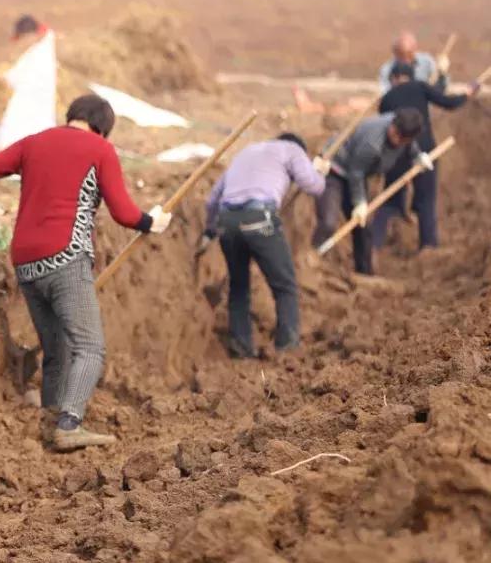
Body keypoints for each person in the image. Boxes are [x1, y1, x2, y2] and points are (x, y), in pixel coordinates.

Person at [0, 94, 171, 452]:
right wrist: (152, 222)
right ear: (103, 129)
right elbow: (124, 214)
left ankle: (52, 412)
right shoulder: (100, 149)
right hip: (66, 257)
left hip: (24, 261)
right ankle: (69, 424)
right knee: (89, 347)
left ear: (71, 116)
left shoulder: (33, 142)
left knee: (56, 348)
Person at [197, 134, 328, 358]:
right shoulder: (292, 149)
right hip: (259, 218)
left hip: (227, 221)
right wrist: (319, 171)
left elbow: (212, 199)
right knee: (285, 285)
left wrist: (209, 231)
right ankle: (287, 348)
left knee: (239, 286)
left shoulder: (247, 151)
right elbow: (313, 186)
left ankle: (241, 346)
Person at [374, 62, 479, 251]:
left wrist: (440, 77)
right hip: (425, 151)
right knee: (426, 201)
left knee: (390, 201)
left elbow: (385, 128)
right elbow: (447, 101)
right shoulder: (420, 87)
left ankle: (373, 244)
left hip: (396, 153)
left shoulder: (385, 99)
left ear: (394, 78)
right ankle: (428, 247)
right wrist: (467, 93)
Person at [313, 108, 427, 275]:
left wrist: (418, 156)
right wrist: (359, 202)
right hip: (335, 170)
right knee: (329, 222)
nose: (393, 135)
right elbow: (356, 173)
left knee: (364, 228)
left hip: (357, 173)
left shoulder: (404, 134)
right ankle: (313, 263)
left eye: (400, 137)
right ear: (393, 123)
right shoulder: (373, 143)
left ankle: (364, 273)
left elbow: (410, 145)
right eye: (394, 131)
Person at [0, 14, 57, 155]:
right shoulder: (39, 50)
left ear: (28, 35)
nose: (21, 44)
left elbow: (15, 79)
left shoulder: (41, 55)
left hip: (32, 113)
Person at [377, 31, 449, 93]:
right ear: (395, 53)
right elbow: (386, 95)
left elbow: (439, 90)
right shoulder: (387, 70)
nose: (406, 60)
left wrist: (442, 73)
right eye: (402, 56)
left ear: (415, 50)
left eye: (409, 55)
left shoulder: (427, 62)